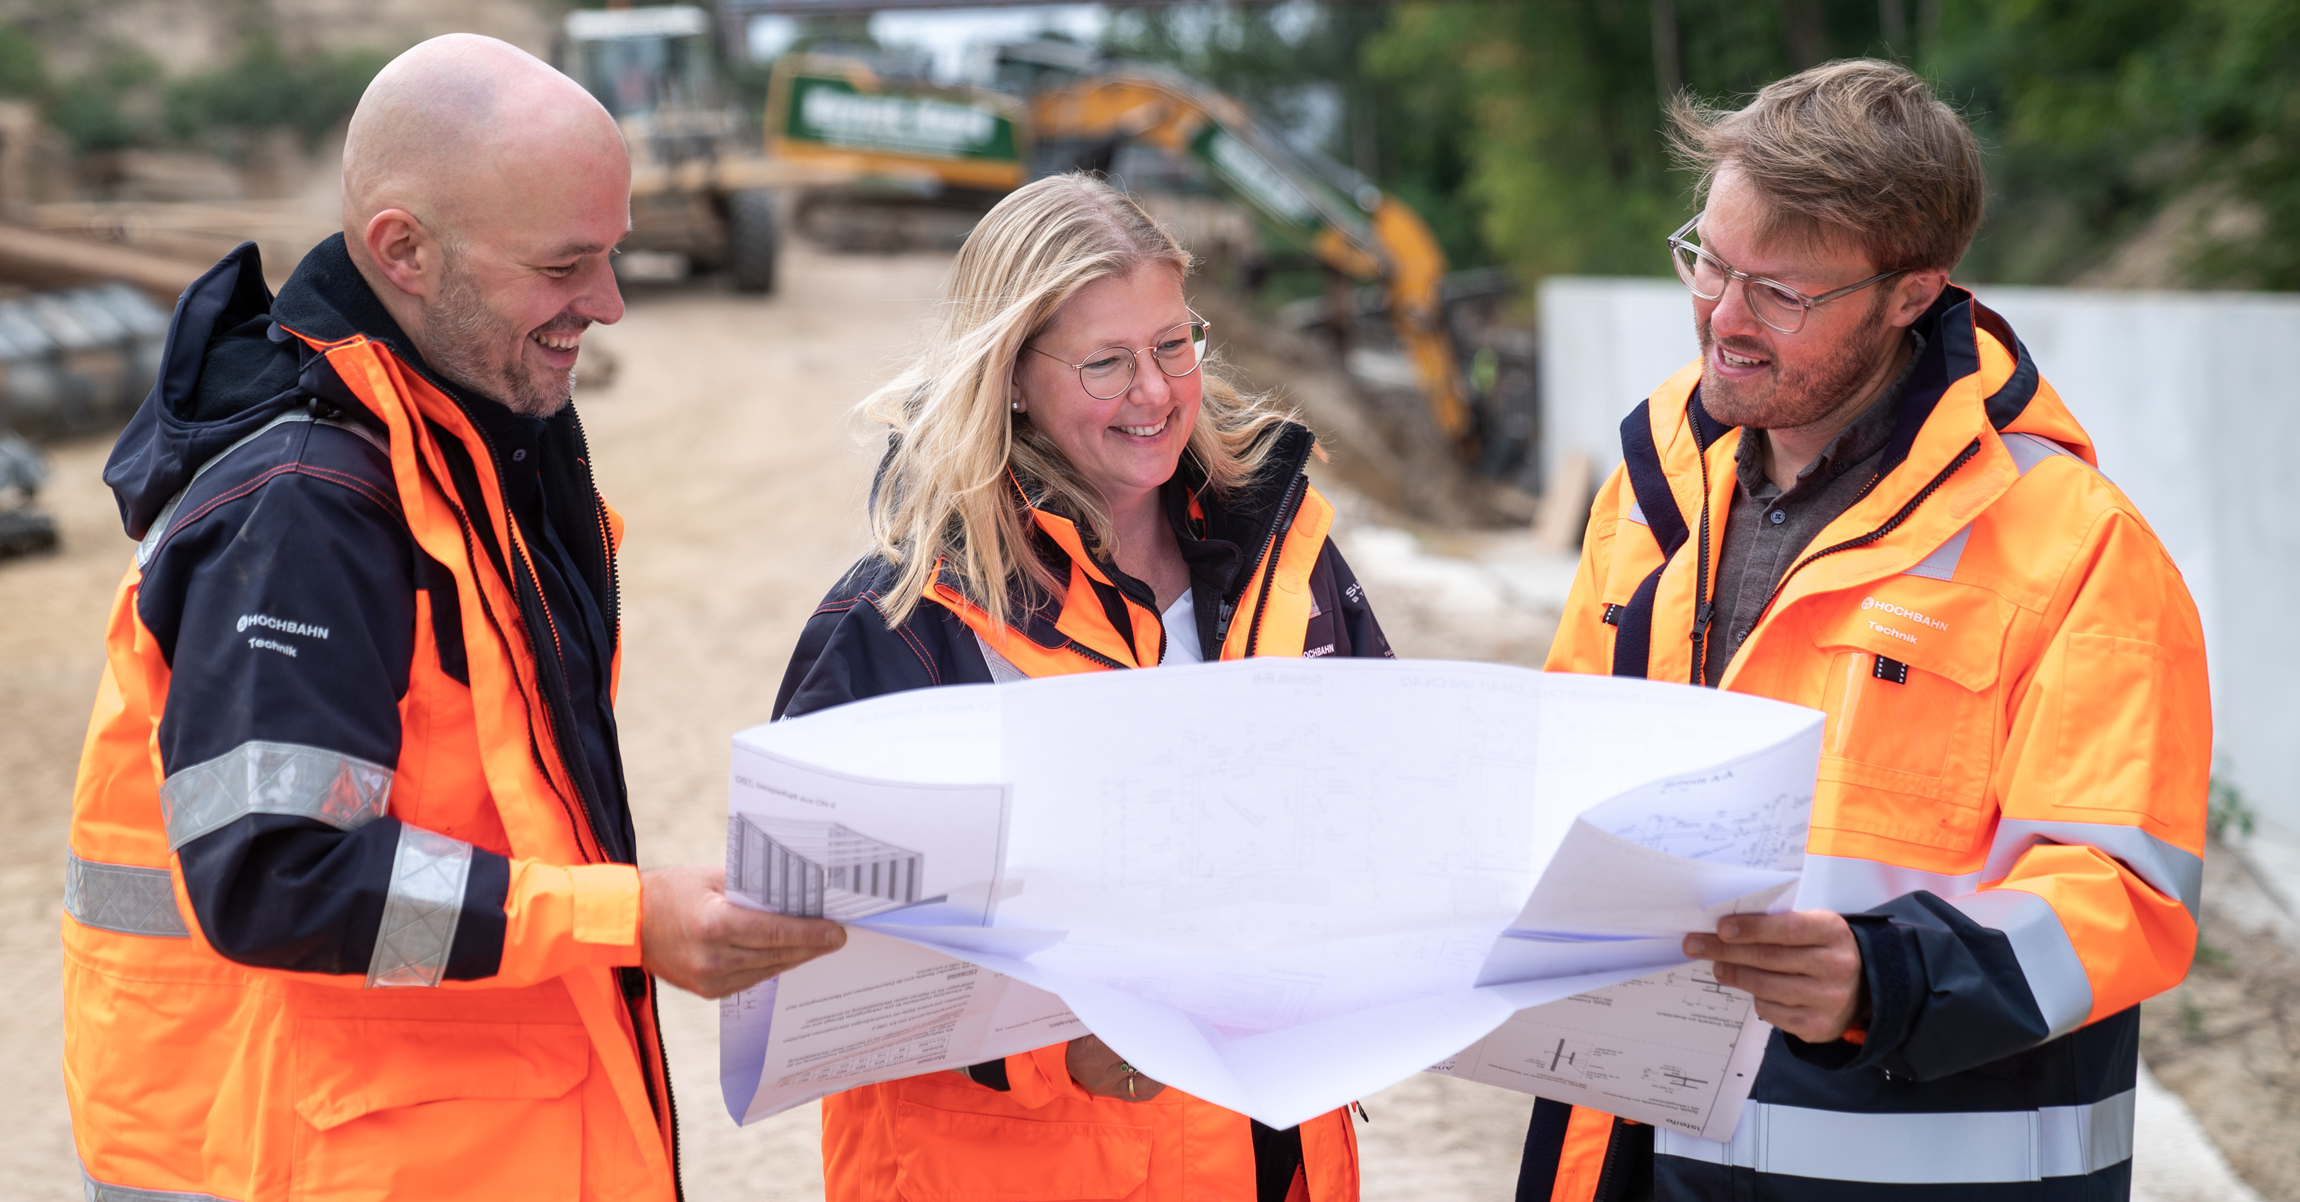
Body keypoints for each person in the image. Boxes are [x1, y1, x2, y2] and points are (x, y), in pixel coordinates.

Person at [62, 35, 844, 1201]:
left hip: (434, 1143)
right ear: (404, 251)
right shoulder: (304, 513)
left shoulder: (466, 449)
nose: (610, 303)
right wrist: (626, 916)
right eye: (566, 264)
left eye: (614, 253)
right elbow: (280, 876)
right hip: (293, 1159)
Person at [1524, 59, 2210, 1201]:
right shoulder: (1652, 491)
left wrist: (1881, 978)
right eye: (1708, 260)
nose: (1723, 319)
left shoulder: (2074, 545)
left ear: (1908, 292)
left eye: (1781, 293)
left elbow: (2123, 892)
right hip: (1641, 1157)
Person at [775, 173, 1391, 1202]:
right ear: (1008, 375)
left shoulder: (1292, 560)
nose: (1152, 393)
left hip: (1267, 1159)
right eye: (1104, 363)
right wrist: (1053, 1044)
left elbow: (1393, 814)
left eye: (1171, 345)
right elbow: (813, 954)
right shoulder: (902, 622)